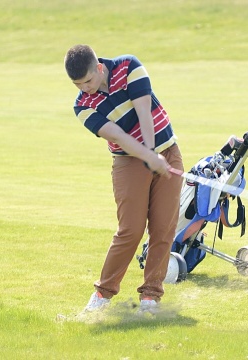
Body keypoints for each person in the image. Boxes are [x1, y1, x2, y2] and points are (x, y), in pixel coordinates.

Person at [64, 45, 184, 313]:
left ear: (99, 68)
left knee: (163, 228)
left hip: (167, 151)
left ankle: (151, 297)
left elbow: (144, 112)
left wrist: (153, 154)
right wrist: (148, 157)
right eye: (78, 85)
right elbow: (118, 136)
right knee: (130, 230)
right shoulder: (82, 105)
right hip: (127, 162)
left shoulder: (128, 66)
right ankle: (102, 295)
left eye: (88, 81)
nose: (85, 89)